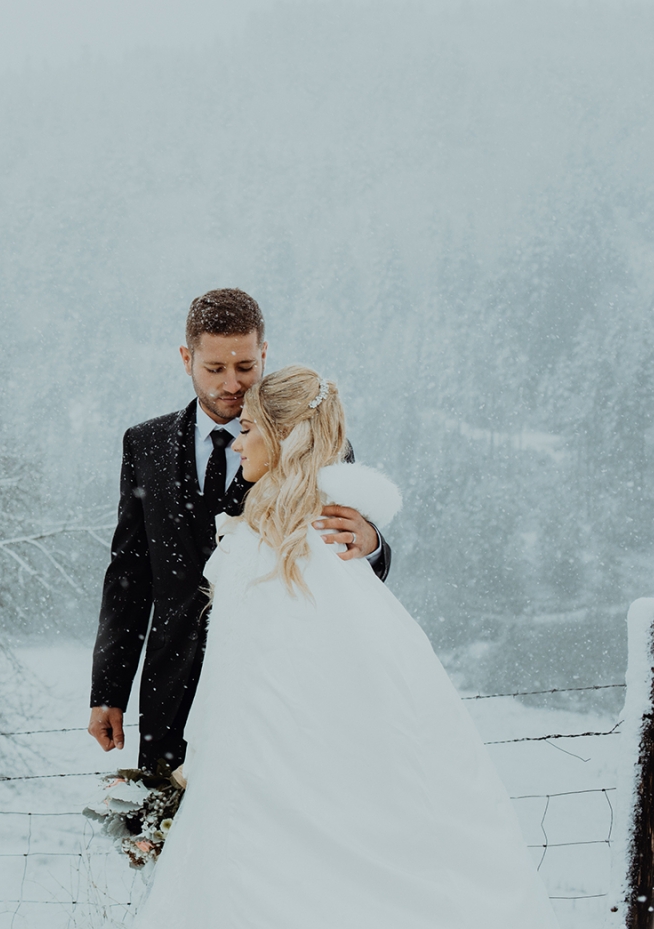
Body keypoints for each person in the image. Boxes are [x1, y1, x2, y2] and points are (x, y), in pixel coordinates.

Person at [137, 366, 556, 927]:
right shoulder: (266, 525)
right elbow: (136, 574)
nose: (238, 442)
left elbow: (343, 661)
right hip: (236, 749)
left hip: (277, 762)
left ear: (284, 438)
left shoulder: (317, 540)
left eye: (251, 429)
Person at [89, 289, 391, 770]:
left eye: (246, 367)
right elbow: (129, 576)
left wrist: (371, 544)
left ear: (264, 353)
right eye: (214, 369)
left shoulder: (314, 445)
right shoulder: (144, 444)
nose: (232, 384)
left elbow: (344, 572)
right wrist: (108, 689)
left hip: (272, 698)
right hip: (169, 695)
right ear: (187, 358)